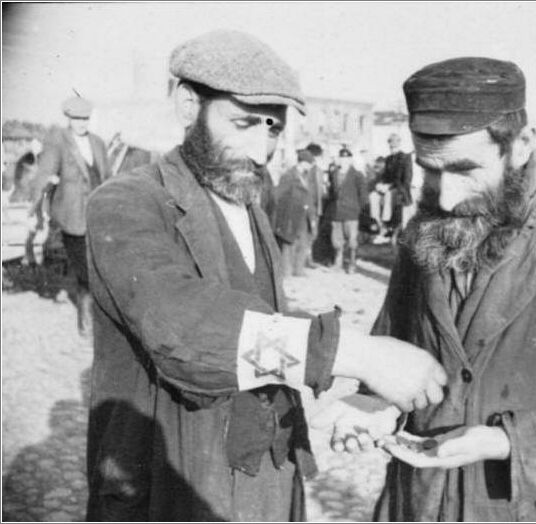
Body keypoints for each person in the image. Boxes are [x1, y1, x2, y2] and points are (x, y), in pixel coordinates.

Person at [83, 30, 447, 521]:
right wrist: (354, 354)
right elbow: (181, 327)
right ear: (189, 105)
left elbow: (261, 314)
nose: (261, 149)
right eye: (244, 123)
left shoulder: (245, 199)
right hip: (174, 484)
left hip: (267, 474)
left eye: (273, 128)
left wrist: (358, 389)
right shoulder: (126, 202)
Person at [330, 57, 536, 521]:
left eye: (465, 170)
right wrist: (375, 404)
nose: (445, 197)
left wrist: (503, 442)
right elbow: (392, 354)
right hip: (416, 506)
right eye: (430, 171)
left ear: (521, 145)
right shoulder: (419, 235)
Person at [29, 95, 111, 336]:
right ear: (69, 118)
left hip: (97, 216)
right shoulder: (58, 142)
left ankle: (99, 320)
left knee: (99, 268)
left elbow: (108, 178)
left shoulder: (98, 142)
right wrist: (36, 210)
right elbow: (43, 177)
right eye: (77, 119)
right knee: (85, 271)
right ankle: (86, 322)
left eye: (85, 118)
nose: (81, 123)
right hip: (72, 217)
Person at [272, 149, 321, 277]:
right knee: (289, 244)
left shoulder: (307, 176)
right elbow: (278, 197)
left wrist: (313, 215)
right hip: (291, 215)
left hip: (305, 215)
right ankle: (286, 271)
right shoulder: (289, 176)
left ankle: (299, 270)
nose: (310, 167)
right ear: (303, 163)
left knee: (303, 242)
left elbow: (311, 196)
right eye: (309, 164)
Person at [326, 147, 367, 273]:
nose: (344, 161)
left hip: (351, 213)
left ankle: (352, 264)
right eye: (341, 158)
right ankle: (338, 263)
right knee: (337, 240)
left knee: (352, 241)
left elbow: (363, 196)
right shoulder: (334, 174)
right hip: (337, 212)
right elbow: (332, 193)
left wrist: (357, 209)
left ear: (350, 160)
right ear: (339, 159)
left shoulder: (357, 175)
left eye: (346, 158)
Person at [368, 133, 414, 243]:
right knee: (373, 195)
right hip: (388, 187)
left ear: (399, 144)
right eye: (391, 146)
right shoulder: (388, 159)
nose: (393, 148)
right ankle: (379, 222)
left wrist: (389, 186)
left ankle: (386, 221)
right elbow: (385, 176)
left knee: (389, 195)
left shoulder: (405, 158)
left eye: (395, 146)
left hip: (399, 188)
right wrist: (380, 184)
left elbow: (406, 179)